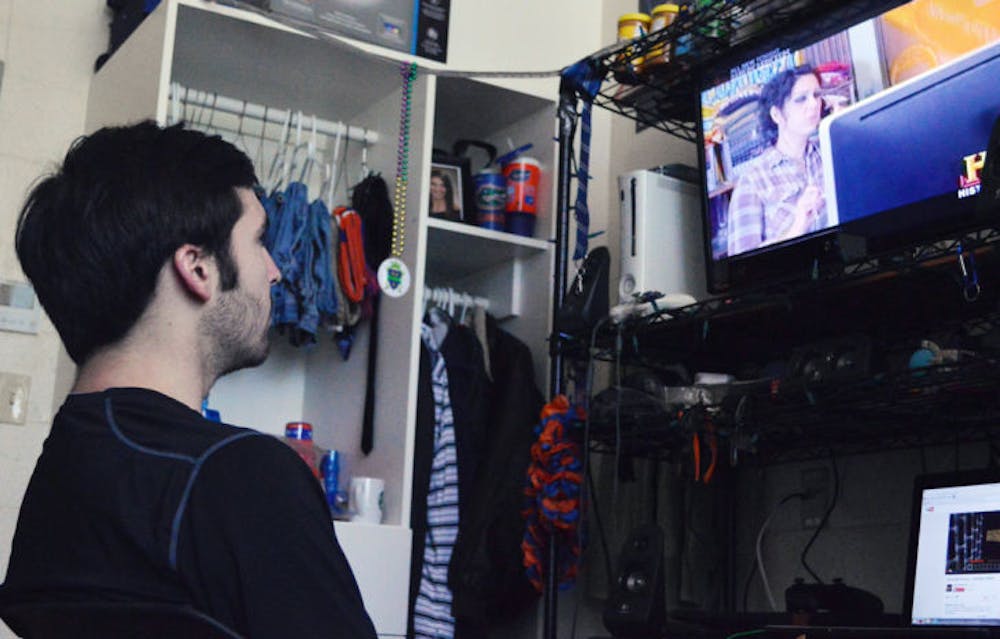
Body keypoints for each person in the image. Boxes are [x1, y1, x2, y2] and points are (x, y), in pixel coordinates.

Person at [0, 121, 377, 639]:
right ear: (197, 268)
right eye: (258, 241)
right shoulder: (243, 477)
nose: (274, 271)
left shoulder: (61, 472)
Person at [727, 65, 830, 256]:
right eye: (801, 99)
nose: (814, 104)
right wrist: (798, 226)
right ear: (776, 115)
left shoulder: (829, 150)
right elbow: (743, 264)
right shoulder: (752, 180)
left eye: (816, 95)